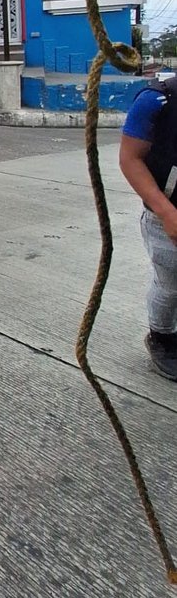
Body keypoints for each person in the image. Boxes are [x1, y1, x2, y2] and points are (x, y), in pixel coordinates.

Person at [119, 77, 177, 380]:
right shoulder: (156, 100)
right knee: (171, 283)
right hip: (165, 214)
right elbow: (130, 159)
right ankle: (162, 337)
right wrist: (167, 213)